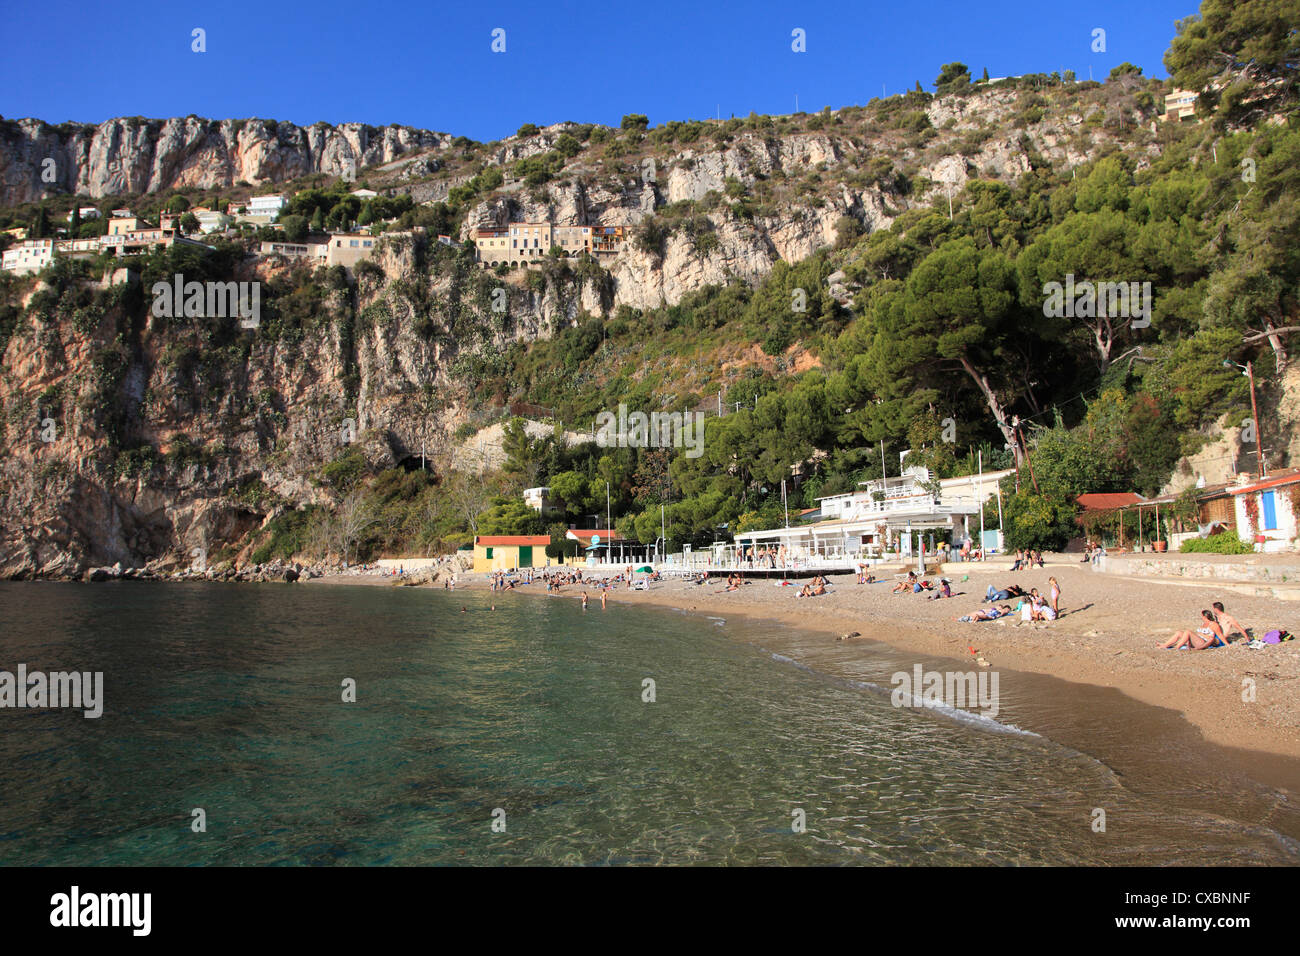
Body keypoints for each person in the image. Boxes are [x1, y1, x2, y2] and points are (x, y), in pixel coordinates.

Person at [1160, 610, 1226, 650]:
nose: (1201, 617)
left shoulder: (1213, 624)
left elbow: (1219, 635)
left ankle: (1177, 647)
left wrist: (1227, 644)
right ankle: (1164, 645)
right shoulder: (1204, 624)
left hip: (1203, 642)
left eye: (1202, 616)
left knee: (1188, 631)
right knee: (1179, 632)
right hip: (1197, 641)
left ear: (1205, 616)